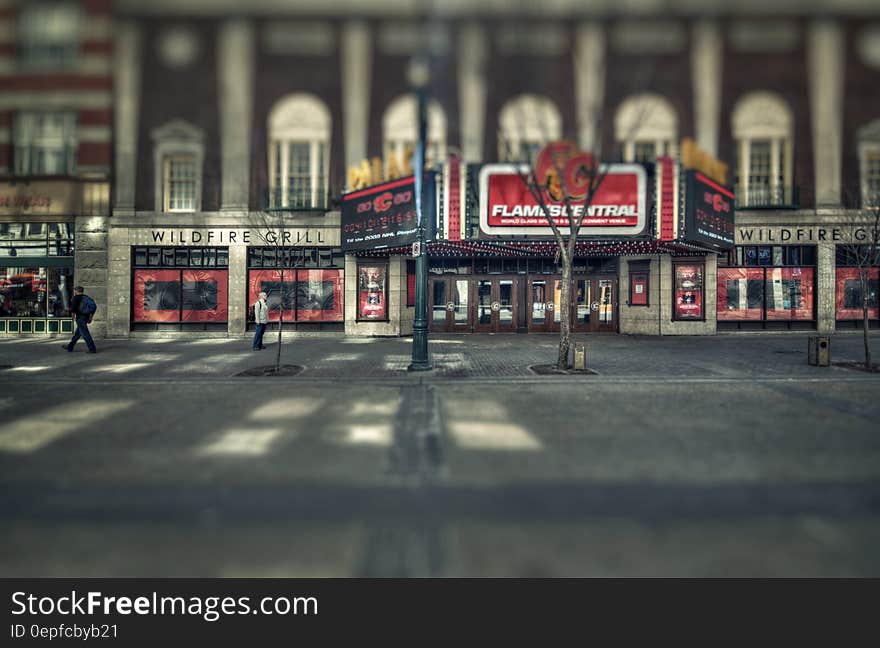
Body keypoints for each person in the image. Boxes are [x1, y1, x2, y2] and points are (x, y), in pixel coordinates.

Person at [64, 286, 97, 353]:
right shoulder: (87, 297)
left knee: (85, 334)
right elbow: (94, 307)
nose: (74, 292)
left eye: (75, 290)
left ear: (76, 291)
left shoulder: (75, 298)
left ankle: (92, 349)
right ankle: (70, 347)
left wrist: (73, 316)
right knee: (78, 334)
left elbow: (73, 308)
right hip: (85, 317)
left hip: (80, 317)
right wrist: (90, 317)